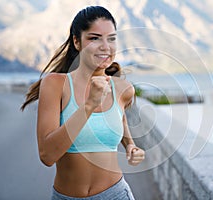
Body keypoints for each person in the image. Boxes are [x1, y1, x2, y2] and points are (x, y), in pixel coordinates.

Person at [21, 6, 145, 200]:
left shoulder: (123, 89)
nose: (105, 46)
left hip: (116, 194)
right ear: (77, 42)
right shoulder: (55, 84)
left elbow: (117, 119)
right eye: (94, 38)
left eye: (111, 38)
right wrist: (89, 105)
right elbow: (47, 155)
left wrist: (130, 145)